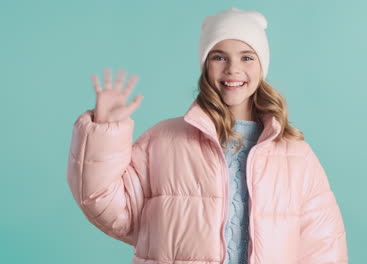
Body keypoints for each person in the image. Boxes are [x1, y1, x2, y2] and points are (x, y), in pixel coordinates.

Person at [66, 7, 348, 264]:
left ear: (262, 66)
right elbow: (106, 204)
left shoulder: (296, 156)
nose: (233, 69)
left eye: (247, 57)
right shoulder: (164, 140)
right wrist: (104, 130)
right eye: (219, 57)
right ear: (205, 66)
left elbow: (323, 247)